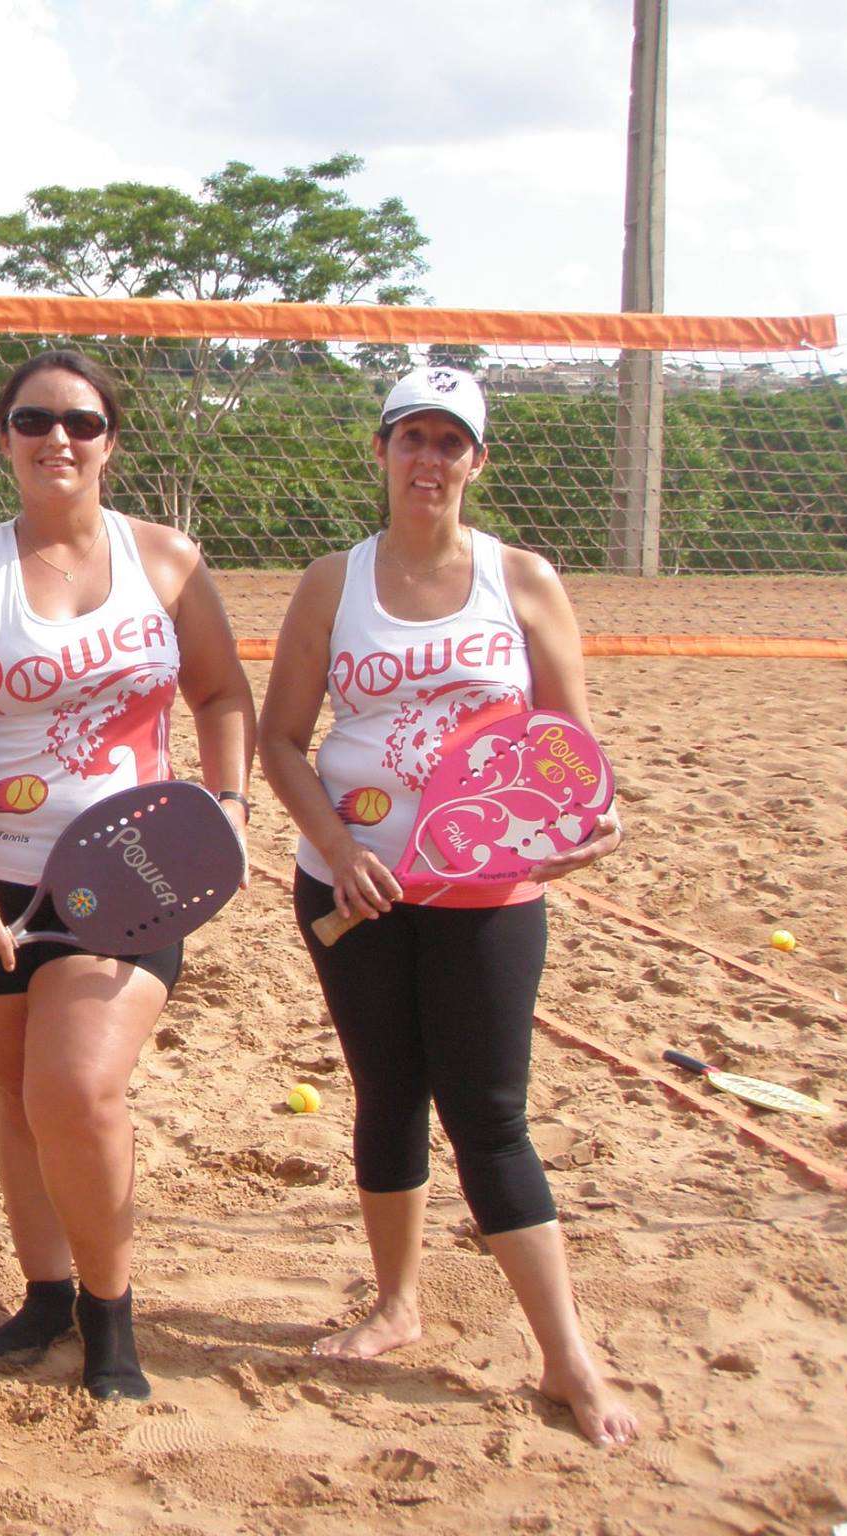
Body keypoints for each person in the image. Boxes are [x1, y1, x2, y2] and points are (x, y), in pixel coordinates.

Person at [256, 365, 639, 1448]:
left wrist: (579, 826)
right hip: (352, 885)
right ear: (378, 453)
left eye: (448, 442)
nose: (427, 459)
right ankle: (395, 1303)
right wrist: (336, 848)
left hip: (485, 890)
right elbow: (281, 739)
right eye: (408, 437)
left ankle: (567, 1359)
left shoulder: (519, 579)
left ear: (476, 462)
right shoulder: (331, 582)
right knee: (386, 1091)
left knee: (487, 1114)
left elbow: (567, 748)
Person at [0, 350, 255, 1400]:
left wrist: (226, 810)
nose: (58, 437)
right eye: (33, 419)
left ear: (110, 439)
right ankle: (46, 1292)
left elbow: (223, 697)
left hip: (132, 871)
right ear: (1, 438)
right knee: (18, 1099)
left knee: (76, 1087)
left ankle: (111, 1315)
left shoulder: (166, 561)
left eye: (81, 421)